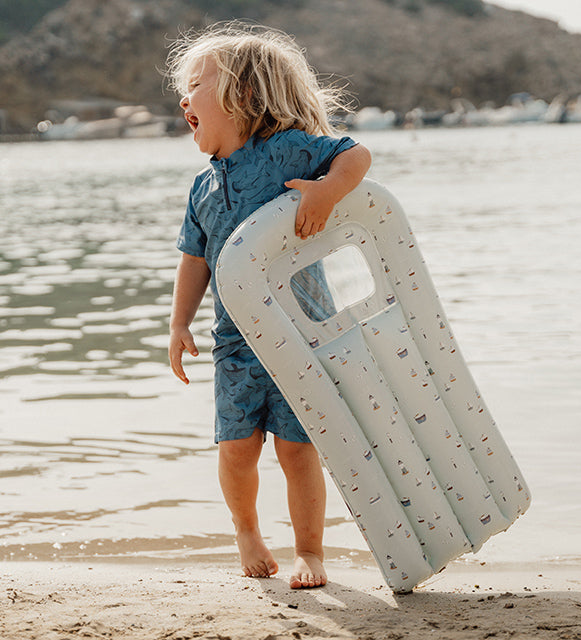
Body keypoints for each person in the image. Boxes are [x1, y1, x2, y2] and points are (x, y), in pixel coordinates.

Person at [166, 23, 371, 589]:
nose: (184, 98)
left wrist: (328, 191)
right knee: (235, 448)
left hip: (300, 332)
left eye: (198, 84)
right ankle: (247, 532)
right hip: (234, 343)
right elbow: (194, 257)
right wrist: (180, 322)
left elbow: (354, 153)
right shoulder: (202, 189)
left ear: (245, 95)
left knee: (297, 450)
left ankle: (310, 550)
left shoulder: (286, 152)